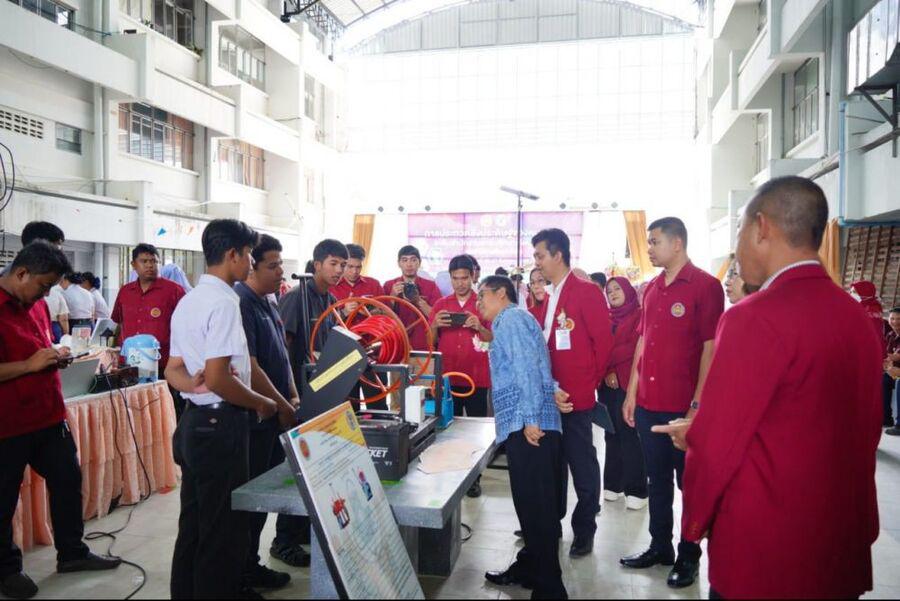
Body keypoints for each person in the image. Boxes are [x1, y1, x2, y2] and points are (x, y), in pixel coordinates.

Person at [655, 176, 883, 599]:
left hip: (766, 550)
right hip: (838, 541)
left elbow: (720, 443)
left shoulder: (752, 318)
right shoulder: (856, 317)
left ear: (762, 228)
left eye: (738, 234)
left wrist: (694, 519)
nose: (737, 250)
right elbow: (865, 428)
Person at [0, 242, 121, 601]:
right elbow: (27, 361)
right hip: (7, 423)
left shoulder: (37, 304)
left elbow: (39, 350)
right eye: (43, 286)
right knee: (3, 499)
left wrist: (55, 356)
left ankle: (72, 552)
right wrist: (29, 365)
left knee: (68, 480)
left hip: (48, 414)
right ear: (22, 273)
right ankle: (7, 570)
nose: (47, 294)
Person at [166, 219, 278, 600]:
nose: (250, 263)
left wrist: (192, 385)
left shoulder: (189, 301)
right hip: (221, 425)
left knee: (195, 523)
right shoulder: (225, 302)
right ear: (233, 255)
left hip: (194, 422)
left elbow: (173, 369)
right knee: (223, 530)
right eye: (248, 255)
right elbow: (218, 377)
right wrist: (261, 402)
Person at [619, 216, 724, 589]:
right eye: (648, 242)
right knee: (657, 480)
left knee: (689, 485)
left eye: (654, 241)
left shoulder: (705, 287)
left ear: (677, 243)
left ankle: (688, 555)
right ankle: (660, 546)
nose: (648, 248)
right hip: (649, 404)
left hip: (683, 410)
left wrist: (697, 406)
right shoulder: (651, 289)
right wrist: (632, 393)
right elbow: (642, 342)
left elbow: (710, 348)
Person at [478, 275, 567, 600]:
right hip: (531, 423)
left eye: (482, 296)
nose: (478, 303)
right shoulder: (517, 319)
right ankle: (530, 567)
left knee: (537, 511)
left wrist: (530, 418)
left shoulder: (511, 319)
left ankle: (550, 589)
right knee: (532, 508)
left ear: (501, 293)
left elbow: (526, 370)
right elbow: (538, 365)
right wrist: (552, 391)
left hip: (529, 427)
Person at [533, 228, 613, 558]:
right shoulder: (550, 295)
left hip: (574, 399)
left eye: (540, 255)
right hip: (550, 397)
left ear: (558, 255)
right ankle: (550, 522)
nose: (536, 262)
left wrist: (585, 387)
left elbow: (603, 345)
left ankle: (584, 529)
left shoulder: (586, 292)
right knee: (552, 465)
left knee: (582, 465)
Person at [234, 235, 300, 590]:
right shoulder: (242, 303)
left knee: (264, 499)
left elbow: (281, 356)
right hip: (258, 419)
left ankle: (252, 563)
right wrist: (282, 404)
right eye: (272, 266)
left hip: (278, 412)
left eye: (280, 264)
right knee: (252, 498)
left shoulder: (269, 301)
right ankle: (242, 570)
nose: (280, 272)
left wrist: (292, 393)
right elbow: (252, 365)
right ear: (251, 267)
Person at [429, 255, 494, 497]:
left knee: (476, 431)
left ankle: (474, 479)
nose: (460, 283)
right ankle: (452, 475)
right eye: (455, 278)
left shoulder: (484, 304)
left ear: (473, 276)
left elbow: (494, 339)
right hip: (448, 376)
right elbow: (430, 341)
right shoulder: (441, 304)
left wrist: (480, 327)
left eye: (464, 278)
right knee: (448, 430)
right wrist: (435, 325)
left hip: (477, 376)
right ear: (450, 278)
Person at [111, 244, 187, 416]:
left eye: (154, 261)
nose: (150, 265)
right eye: (144, 261)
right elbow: (118, 322)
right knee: (132, 412)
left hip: (163, 364)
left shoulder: (174, 290)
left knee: (166, 412)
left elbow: (187, 326)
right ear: (133, 264)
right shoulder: (125, 291)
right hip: (129, 364)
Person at [599, 277, 648, 510]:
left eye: (617, 288)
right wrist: (607, 369)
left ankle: (637, 489)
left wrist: (607, 358)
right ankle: (613, 484)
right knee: (611, 433)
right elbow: (598, 346)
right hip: (607, 384)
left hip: (630, 383)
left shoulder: (639, 315)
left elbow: (635, 347)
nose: (613, 293)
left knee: (630, 435)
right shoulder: (605, 318)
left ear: (628, 291)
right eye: (609, 291)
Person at [383, 245, 441, 350]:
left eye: (413, 260)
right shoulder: (389, 285)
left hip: (423, 344)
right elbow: (382, 319)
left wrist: (418, 300)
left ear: (419, 263)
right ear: (399, 263)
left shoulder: (431, 286)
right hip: (396, 344)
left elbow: (437, 318)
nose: (409, 264)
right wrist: (392, 296)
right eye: (404, 260)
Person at [885, 307, 900, 436]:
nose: (895, 322)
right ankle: (886, 418)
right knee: (882, 380)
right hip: (894, 370)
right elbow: (888, 356)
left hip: (898, 372)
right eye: (892, 318)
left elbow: (896, 356)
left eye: (898, 319)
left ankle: (899, 425)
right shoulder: (890, 335)